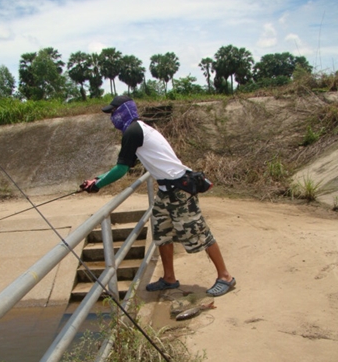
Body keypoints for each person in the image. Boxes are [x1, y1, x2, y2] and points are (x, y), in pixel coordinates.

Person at [80, 95, 236, 297]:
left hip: (180, 189)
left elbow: (121, 169)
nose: (112, 117)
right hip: (165, 191)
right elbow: (126, 163)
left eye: (113, 112)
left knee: (198, 232)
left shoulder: (133, 131)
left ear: (125, 111)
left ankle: (225, 277)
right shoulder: (137, 129)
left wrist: (98, 185)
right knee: (162, 233)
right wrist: (96, 179)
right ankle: (169, 278)